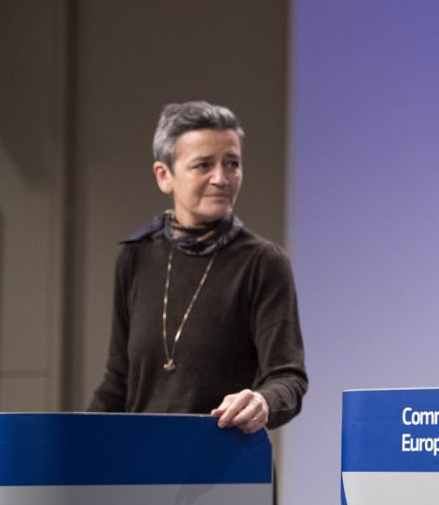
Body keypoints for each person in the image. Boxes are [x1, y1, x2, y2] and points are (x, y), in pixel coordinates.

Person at [89, 101, 307, 433]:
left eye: (232, 163)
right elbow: (118, 381)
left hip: (226, 468)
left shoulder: (263, 263)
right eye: (203, 165)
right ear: (164, 176)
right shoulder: (136, 257)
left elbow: (288, 378)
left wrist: (263, 402)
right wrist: (72, 447)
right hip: (140, 467)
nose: (221, 178)